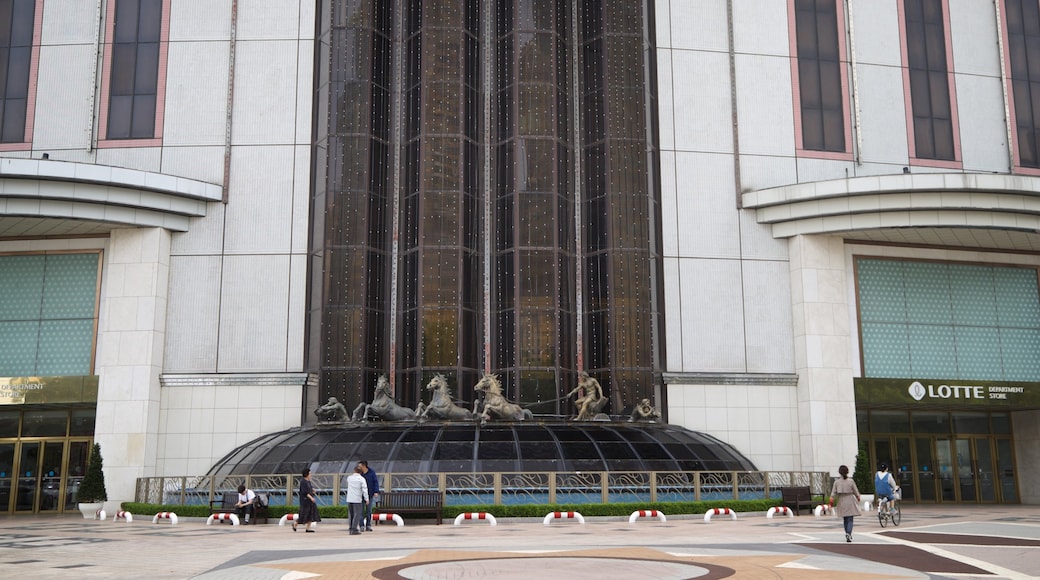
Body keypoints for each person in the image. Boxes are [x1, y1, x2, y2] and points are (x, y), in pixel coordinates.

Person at [829, 464, 862, 543]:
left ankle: (847, 532)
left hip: (841, 499)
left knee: (845, 519)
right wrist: (858, 497)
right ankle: (849, 533)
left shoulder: (837, 482)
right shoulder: (851, 481)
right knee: (850, 518)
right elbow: (855, 490)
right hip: (850, 499)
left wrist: (831, 502)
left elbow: (833, 493)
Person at [346, 465, 369, 535]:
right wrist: (366, 499)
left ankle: (350, 528)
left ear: (354, 470)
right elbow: (364, 490)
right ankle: (354, 529)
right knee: (357, 514)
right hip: (357, 499)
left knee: (351, 514)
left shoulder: (349, 478)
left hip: (349, 499)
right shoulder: (361, 479)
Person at [296, 468, 320, 532]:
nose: (310, 475)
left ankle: (308, 528)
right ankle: (295, 524)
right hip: (305, 501)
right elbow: (305, 492)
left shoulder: (308, 481)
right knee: (303, 514)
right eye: (310, 473)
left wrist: (312, 490)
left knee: (311, 514)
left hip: (310, 501)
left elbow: (309, 488)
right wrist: (311, 498)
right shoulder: (303, 482)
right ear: (306, 474)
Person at [358, 460, 380, 531]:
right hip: (360, 495)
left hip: (369, 494)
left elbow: (375, 482)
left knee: (369, 511)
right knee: (360, 511)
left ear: (364, 466)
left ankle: (368, 525)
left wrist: (376, 491)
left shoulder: (371, 472)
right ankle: (361, 525)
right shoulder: (359, 473)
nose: (359, 467)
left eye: (360, 466)